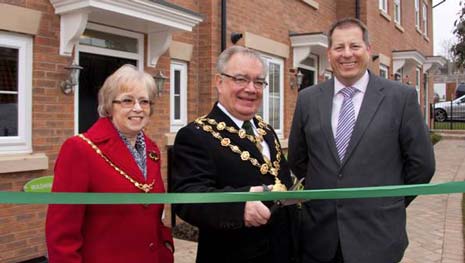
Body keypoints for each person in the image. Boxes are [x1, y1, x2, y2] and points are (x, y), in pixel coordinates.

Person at [288, 18, 435, 263]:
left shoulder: (401, 98)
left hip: (378, 237)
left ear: (368, 50)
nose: (347, 54)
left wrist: (389, 202)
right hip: (320, 238)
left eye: (354, 46)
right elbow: (298, 159)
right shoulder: (308, 99)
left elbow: (422, 166)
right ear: (330, 53)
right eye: (339, 47)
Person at [172, 46, 294, 263]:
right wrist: (239, 208)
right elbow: (187, 199)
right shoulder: (195, 135)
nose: (251, 89)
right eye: (240, 79)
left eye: (259, 82)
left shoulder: (266, 130)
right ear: (219, 82)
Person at [45, 64, 174, 263]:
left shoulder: (152, 150)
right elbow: (62, 233)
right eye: (127, 101)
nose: (137, 108)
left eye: (144, 101)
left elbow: (154, 214)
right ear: (108, 105)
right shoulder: (80, 149)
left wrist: (165, 250)